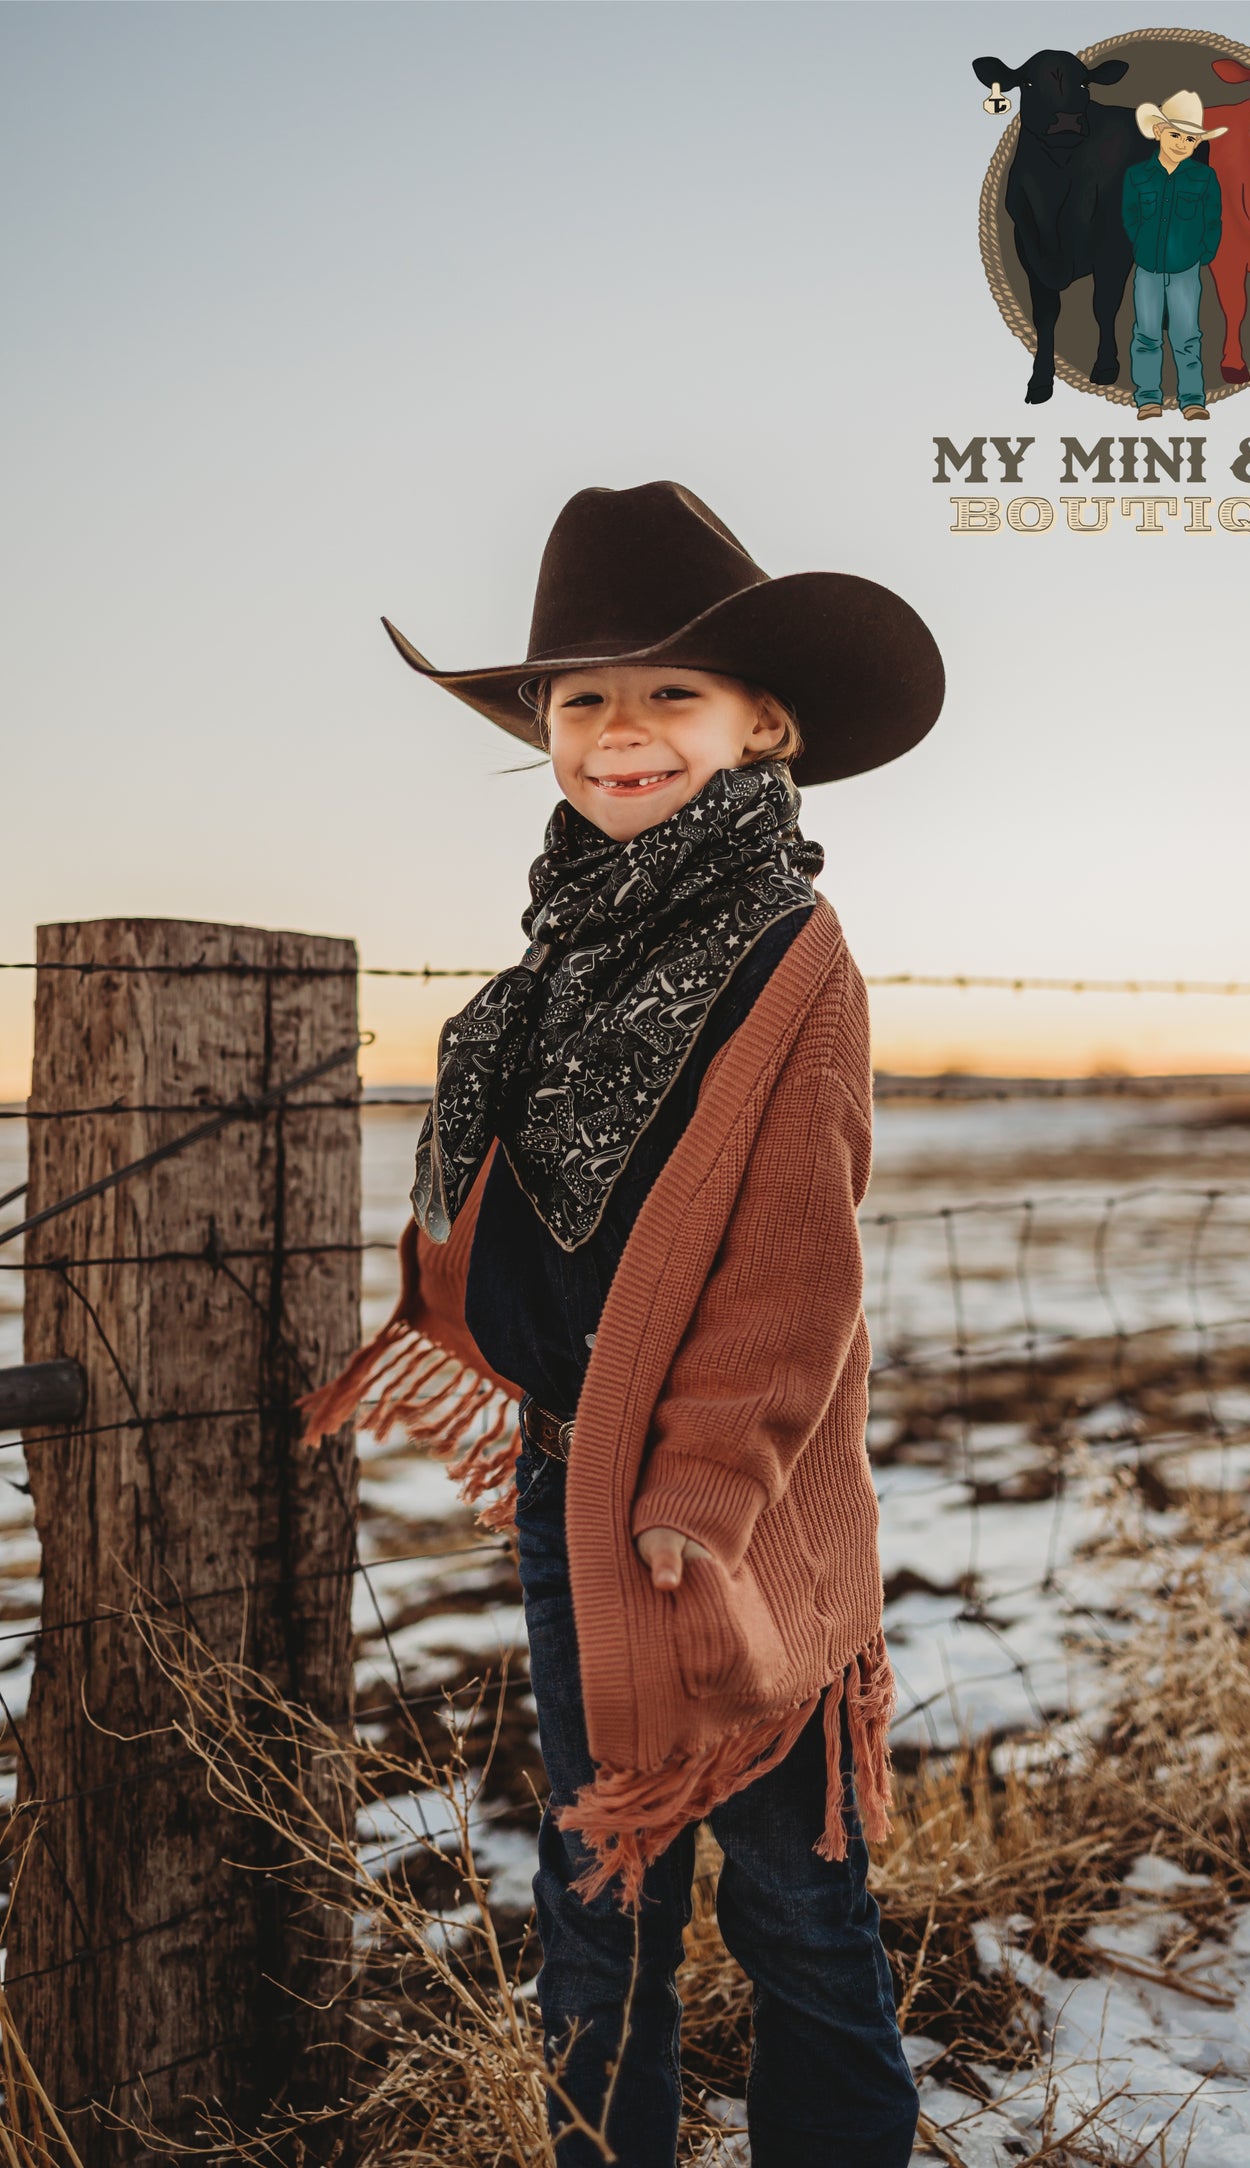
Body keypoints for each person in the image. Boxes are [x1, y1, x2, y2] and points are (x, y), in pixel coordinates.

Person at [304, 480, 945, 2168]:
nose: (620, 730)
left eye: (671, 692)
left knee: (800, 1915)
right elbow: (506, 1231)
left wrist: (705, 1488)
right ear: (542, 731)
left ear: (763, 725)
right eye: (580, 697)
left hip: (726, 1513)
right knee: (599, 1904)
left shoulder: (790, 954)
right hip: (576, 1493)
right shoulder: (546, 976)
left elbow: (795, 1274)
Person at [1122, 90, 1227, 421]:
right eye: (1175, 135)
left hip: (1185, 269)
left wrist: (1203, 253)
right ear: (1158, 132)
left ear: (1198, 143)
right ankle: (1148, 398)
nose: (1182, 143)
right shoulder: (1137, 175)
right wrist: (1140, 245)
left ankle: (1192, 399)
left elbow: (1213, 219)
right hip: (1148, 269)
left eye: (1190, 138)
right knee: (1147, 333)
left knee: (1187, 335)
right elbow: (1130, 216)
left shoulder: (1204, 177)